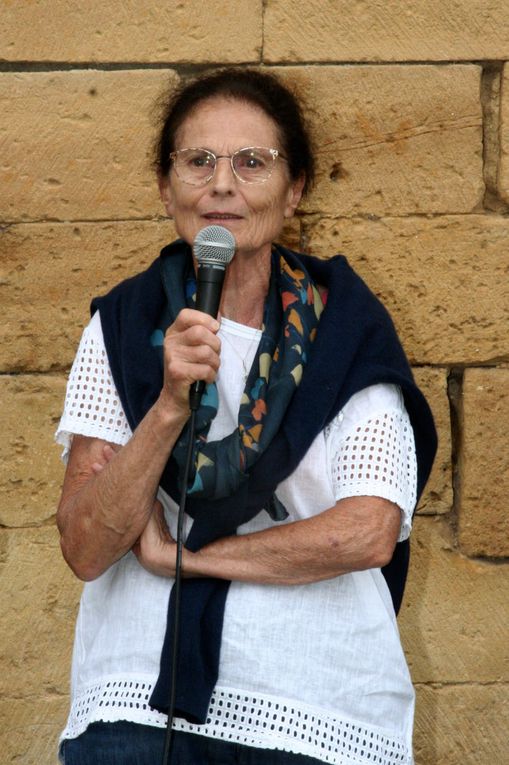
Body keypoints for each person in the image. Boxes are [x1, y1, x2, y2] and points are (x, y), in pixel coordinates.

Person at [55, 68, 437, 765]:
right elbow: (85, 543)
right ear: (165, 185)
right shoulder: (122, 325)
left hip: (315, 707)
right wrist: (168, 405)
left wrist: (185, 557)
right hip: (135, 706)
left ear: (293, 190)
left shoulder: (346, 331)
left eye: (251, 162)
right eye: (198, 160)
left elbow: (367, 529)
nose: (222, 183)